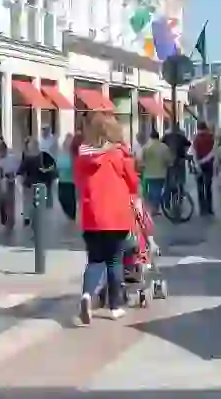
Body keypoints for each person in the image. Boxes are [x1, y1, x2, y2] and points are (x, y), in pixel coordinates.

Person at [74, 113, 140, 325]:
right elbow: (133, 182)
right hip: (116, 216)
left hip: (91, 215)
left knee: (94, 261)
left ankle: (86, 296)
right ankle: (115, 306)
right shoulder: (120, 154)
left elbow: (79, 183)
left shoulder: (82, 156)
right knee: (114, 261)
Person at [140, 130, 172, 213]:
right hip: (161, 173)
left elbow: (141, 159)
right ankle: (155, 208)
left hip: (148, 173)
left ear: (150, 137)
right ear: (158, 137)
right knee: (157, 190)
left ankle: (152, 207)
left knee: (151, 190)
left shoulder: (146, 147)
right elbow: (169, 160)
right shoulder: (164, 147)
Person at [191, 122, 216, 217]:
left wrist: (197, 163)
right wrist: (205, 160)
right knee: (208, 187)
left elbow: (193, 152)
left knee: (200, 187)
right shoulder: (211, 138)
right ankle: (209, 208)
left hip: (198, 165)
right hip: (209, 165)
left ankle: (202, 209)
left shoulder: (195, 138)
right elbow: (213, 152)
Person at [56, 133, 78, 220]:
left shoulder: (74, 154)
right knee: (61, 198)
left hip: (71, 181)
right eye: (66, 141)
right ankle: (70, 215)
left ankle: (72, 216)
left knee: (70, 200)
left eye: (69, 141)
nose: (67, 143)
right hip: (61, 180)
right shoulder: (61, 153)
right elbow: (57, 164)